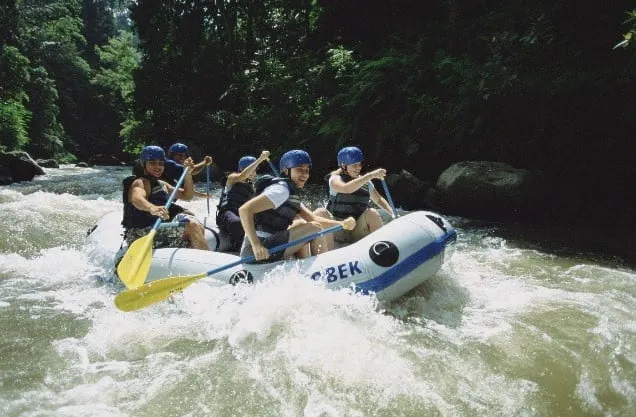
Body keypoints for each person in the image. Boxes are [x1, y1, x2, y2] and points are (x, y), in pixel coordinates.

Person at [239, 150, 355, 263]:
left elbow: (313, 218)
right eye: (299, 169)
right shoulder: (281, 190)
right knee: (314, 228)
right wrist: (256, 245)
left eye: (307, 170)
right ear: (286, 170)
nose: (304, 174)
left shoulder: (290, 193)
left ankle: (309, 265)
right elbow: (244, 210)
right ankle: (323, 266)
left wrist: (341, 224)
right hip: (256, 252)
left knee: (303, 224)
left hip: (270, 245)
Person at [122, 145, 210, 250]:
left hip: (156, 228)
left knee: (198, 226)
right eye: (152, 163)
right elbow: (136, 199)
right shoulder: (140, 182)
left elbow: (187, 195)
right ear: (142, 163)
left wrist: (188, 174)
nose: (158, 167)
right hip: (140, 234)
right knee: (192, 226)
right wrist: (152, 208)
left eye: (161, 163)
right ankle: (205, 257)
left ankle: (195, 254)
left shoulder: (161, 184)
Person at [314, 146, 394, 250]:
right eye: (354, 165)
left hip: (356, 230)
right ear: (344, 166)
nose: (358, 168)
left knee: (372, 213)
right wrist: (370, 175)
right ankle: (327, 254)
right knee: (320, 212)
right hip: (338, 229)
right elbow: (346, 188)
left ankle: (382, 249)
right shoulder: (334, 179)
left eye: (359, 164)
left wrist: (392, 213)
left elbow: (378, 200)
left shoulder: (366, 183)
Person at [216, 150, 271, 251]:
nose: (253, 172)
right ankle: (236, 246)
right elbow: (243, 176)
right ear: (241, 169)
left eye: (255, 170)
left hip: (242, 214)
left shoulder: (252, 188)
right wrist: (260, 159)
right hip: (227, 213)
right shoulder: (232, 178)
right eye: (252, 169)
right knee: (237, 222)